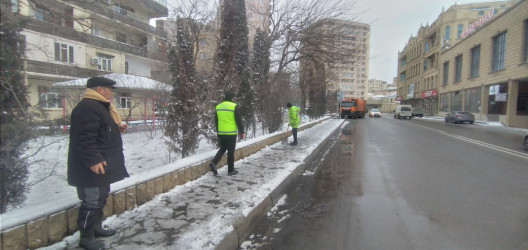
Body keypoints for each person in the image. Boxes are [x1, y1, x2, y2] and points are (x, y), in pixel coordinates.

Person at [67, 77, 129, 250]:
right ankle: (86, 237)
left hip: (102, 165)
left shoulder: (99, 107)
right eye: (109, 89)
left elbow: (100, 130)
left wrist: (117, 128)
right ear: (100, 90)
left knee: (101, 197)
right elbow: (84, 138)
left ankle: (97, 228)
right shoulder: (88, 107)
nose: (111, 93)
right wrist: (93, 160)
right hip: (91, 167)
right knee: (92, 201)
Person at [209, 90, 245, 176]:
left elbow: (216, 121)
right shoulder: (234, 106)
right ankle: (230, 170)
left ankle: (214, 162)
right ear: (231, 98)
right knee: (231, 151)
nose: (234, 99)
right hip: (231, 133)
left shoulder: (218, 107)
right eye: (233, 97)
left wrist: (218, 131)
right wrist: (242, 132)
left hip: (221, 132)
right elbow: (238, 120)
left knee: (222, 148)